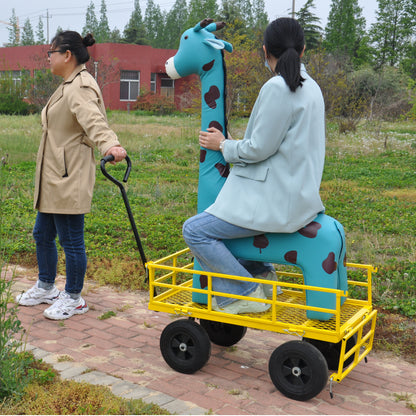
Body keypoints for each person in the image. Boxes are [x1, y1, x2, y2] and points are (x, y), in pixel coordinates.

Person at [183, 18, 326, 314]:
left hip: (275, 200)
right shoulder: (312, 87)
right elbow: (278, 143)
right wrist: (237, 144)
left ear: (264, 50)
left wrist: (222, 145)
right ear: (302, 50)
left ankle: (243, 291)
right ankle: (262, 274)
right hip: (300, 195)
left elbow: (259, 148)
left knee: (195, 230)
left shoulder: (278, 87)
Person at [16, 31, 127, 320]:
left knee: (71, 240)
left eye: (51, 53)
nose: (48, 58)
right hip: (54, 175)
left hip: (68, 175)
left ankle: (74, 297)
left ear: (67, 55)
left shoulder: (80, 86)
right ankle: (47, 286)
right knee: (42, 234)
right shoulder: (67, 84)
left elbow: (93, 119)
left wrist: (110, 144)